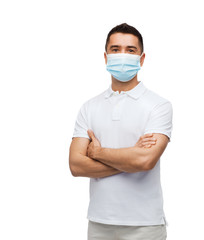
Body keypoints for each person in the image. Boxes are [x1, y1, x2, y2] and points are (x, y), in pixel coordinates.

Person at [69, 23, 173, 240]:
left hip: (145, 225)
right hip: (99, 223)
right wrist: (129, 159)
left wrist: (98, 153)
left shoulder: (158, 106)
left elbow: (145, 161)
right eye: (115, 50)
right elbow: (76, 165)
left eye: (130, 50)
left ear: (142, 59)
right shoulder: (89, 107)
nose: (122, 55)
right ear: (106, 57)